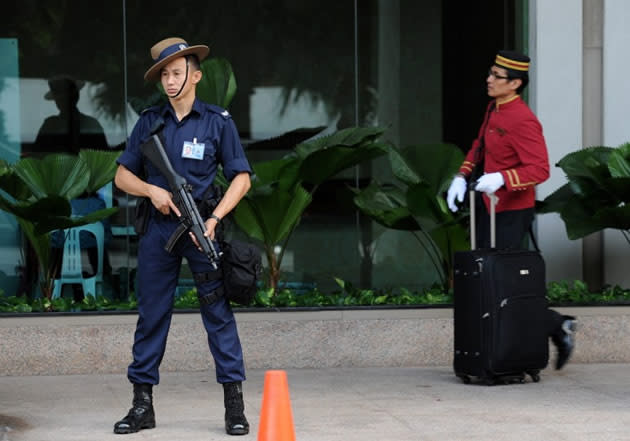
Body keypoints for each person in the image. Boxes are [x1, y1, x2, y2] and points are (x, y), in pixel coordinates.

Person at [112, 37, 252, 436]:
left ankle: (234, 407)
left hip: (201, 229)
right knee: (152, 316)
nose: (170, 81)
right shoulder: (149, 122)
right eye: (165, 76)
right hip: (160, 232)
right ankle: (142, 406)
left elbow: (241, 177)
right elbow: (122, 175)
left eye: (177, 73)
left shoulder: (217, 121)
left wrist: (215, 219)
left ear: (196, 75)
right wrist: (151, 191)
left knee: (218, 317)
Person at [445, 50, 576, 370]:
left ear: (515, 83)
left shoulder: (523, 119)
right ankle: (497, 347)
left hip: (511, 209)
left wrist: (503, 178)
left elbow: (539, 169)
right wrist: (461, 176)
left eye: (497, 77)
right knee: (486, 279)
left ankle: (555, 325)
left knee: (500, 282)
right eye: (490, 73)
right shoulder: (494, 108)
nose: (489, 80)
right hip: (487, 206)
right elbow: (480, 145)